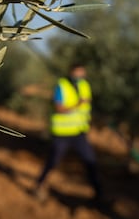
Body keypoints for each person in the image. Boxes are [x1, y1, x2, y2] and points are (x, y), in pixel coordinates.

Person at [33, 63, 102, 202]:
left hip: (79, 132)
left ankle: (99, 195)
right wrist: (78, 104)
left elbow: (86, 108)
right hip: (62, 133)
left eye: (82, 72)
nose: (80, 75)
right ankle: (39, 185)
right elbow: (59, 108)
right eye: (77, 72)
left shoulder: (85, 86)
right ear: (71, 72)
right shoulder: (61, 86)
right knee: (53, 161)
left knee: (90, 161)